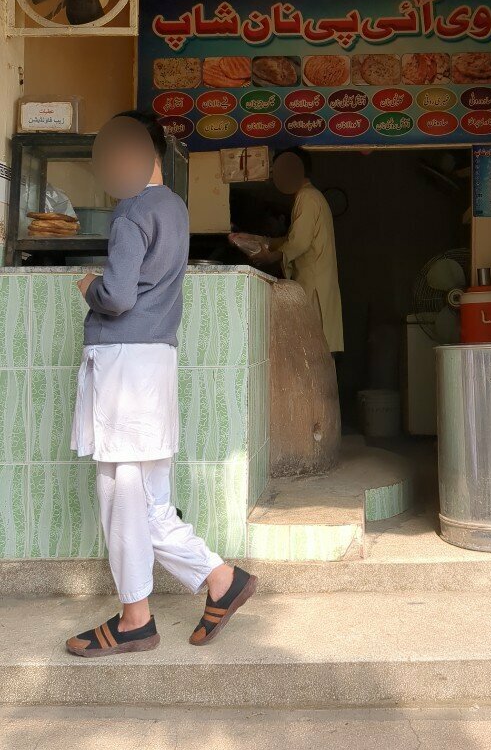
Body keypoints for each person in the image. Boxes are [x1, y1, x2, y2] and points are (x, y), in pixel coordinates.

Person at [66, 111, 257, 658]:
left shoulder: (130, 214)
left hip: (125, 363)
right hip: (155, 362)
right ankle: (219, 578)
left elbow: (119, 296)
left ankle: (135, 619)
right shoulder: (173, 207)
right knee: (149, 498)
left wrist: (89, 287)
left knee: (120, 493)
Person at [231, 148, 343, 355]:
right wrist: (261, 240)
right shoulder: (310, 196)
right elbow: (292, 239)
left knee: (313, 351)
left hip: (313, 285)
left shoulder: (307, 198)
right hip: (314, 282)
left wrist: (269, 256)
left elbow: (299, 243)